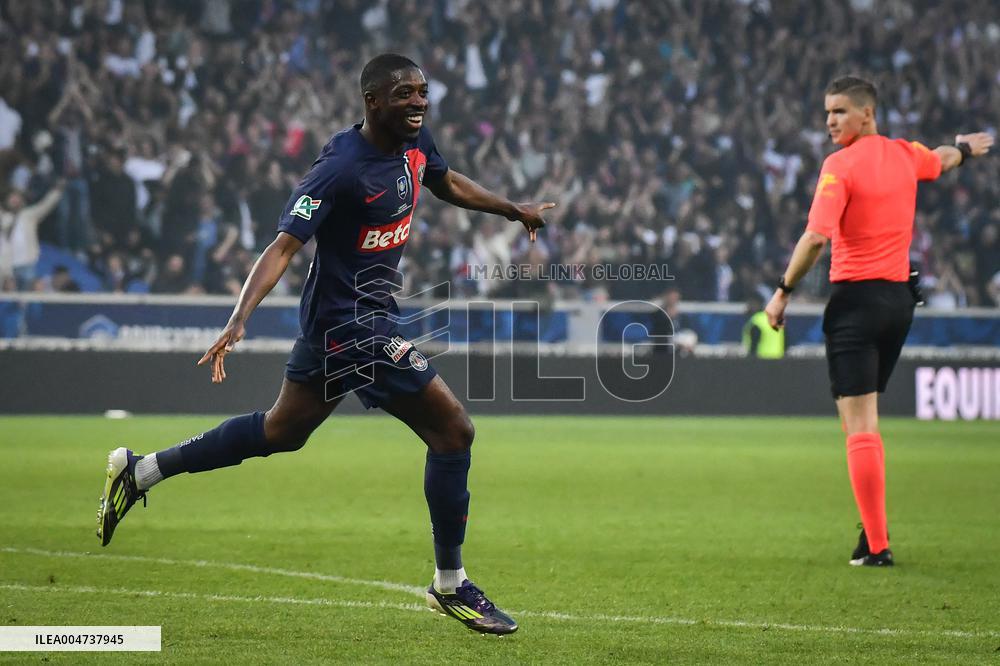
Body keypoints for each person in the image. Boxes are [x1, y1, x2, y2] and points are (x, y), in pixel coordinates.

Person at [95, 54, 553, 635]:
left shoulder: (415, 143)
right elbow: (284, 246)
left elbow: (446, 181)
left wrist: (511, 209)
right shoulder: (339, 167)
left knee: (281, 432)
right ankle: (450, 584)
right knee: (454, 430)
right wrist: (241, 317)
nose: (419, 102)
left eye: (422, 92)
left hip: (352, 321)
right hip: (350, 326)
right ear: (373, 101)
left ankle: (140, 472)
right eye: (405, 94)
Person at [765, 76, 993, 566]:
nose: (830, 121)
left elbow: (815, 239)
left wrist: (782, 293)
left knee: (860, 423)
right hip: (899, 304)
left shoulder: (839, 165)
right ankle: (871, 529)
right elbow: (942, 159)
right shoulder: (905, 154)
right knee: (858, 420)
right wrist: (964, 149)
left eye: (840, 112)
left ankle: (877, 544)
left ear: (867, 114)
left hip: (856, 302)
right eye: (827, 112)